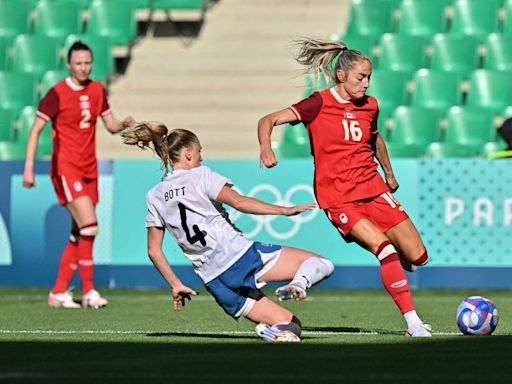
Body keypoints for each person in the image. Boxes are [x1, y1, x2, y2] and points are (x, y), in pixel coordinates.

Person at [257, 38, 431, 337]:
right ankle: (414, 324)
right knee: (385, 250)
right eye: (360, 77)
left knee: (418, 257)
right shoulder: (318, 103)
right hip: (338, 197)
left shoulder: (370, 106)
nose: (366, 84)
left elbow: (375, 140)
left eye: (369, 78)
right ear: (342, 76)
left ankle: (404, 260)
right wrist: (265, 148)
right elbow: (268, 119)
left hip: (374, 189)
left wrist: (389, 173)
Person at [120, 122, 334, 342]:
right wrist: (282, 210)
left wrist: (175, 284)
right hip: (239, 257)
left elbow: (154, 251)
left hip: (215, 280)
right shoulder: (201, 175)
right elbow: (240, 202)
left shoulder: (155, 195)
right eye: (199, 151)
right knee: (322, 264)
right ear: (188, 153)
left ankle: (269, 332)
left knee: (290, 325)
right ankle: (297, 285)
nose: (201, 158)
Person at [22, 41, 135, 309]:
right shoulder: (57, 93)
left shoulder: (97, 89)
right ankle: (89, 291)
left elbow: (110, 125)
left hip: (89, 168)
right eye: (78, 63)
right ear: (69, 65)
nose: (83, 67)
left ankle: (58, 292)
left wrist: (123, 125)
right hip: (66, 167)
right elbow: (36, 130)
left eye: (87, 62)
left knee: (79, 233)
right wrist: (29, 167)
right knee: (89, 225)